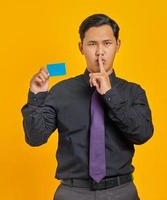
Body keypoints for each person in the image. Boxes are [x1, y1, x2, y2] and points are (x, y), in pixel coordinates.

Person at [21, 13, 154, 200]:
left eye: (107, 43)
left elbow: (142, 134)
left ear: (118, 45)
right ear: (81, 47)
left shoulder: (133, 92)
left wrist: (109, 94)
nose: (100, 52)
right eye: (92, 44)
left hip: (121, 192)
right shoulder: (62, 91)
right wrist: (37, 95)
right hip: (72, 193)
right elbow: (35, 138)